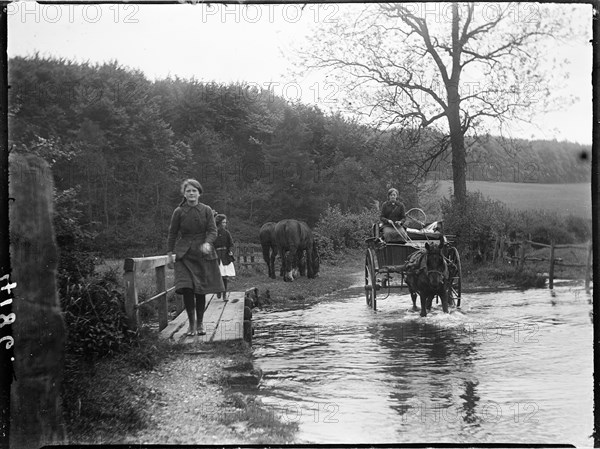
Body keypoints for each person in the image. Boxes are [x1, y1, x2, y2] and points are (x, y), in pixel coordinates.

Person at [166, 179, 225, 336]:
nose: (191, 193)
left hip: (201, 254)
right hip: (184, 254)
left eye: (194, 191)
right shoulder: (178, 212)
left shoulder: (206, 210)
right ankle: (191, 325)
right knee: (187, 289)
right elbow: (172, 233)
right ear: (184, 194)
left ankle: (200, 324)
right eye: (188, 191)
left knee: (200, 290)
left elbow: (213, 231)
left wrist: (207, 243)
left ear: (199, 193)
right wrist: (169, 253)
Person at [214, 214, 236, 299]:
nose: (224, 224)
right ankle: (219, 290)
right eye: (223, 222)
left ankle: (224, 294)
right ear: (219, 223)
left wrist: (230, 250)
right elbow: (211, 244)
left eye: (225, 222)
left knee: (225, 276)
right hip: (217, 256)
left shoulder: (226, 233)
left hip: (225, 256)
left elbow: (231, 244)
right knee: (218, 275)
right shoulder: (213, 232)